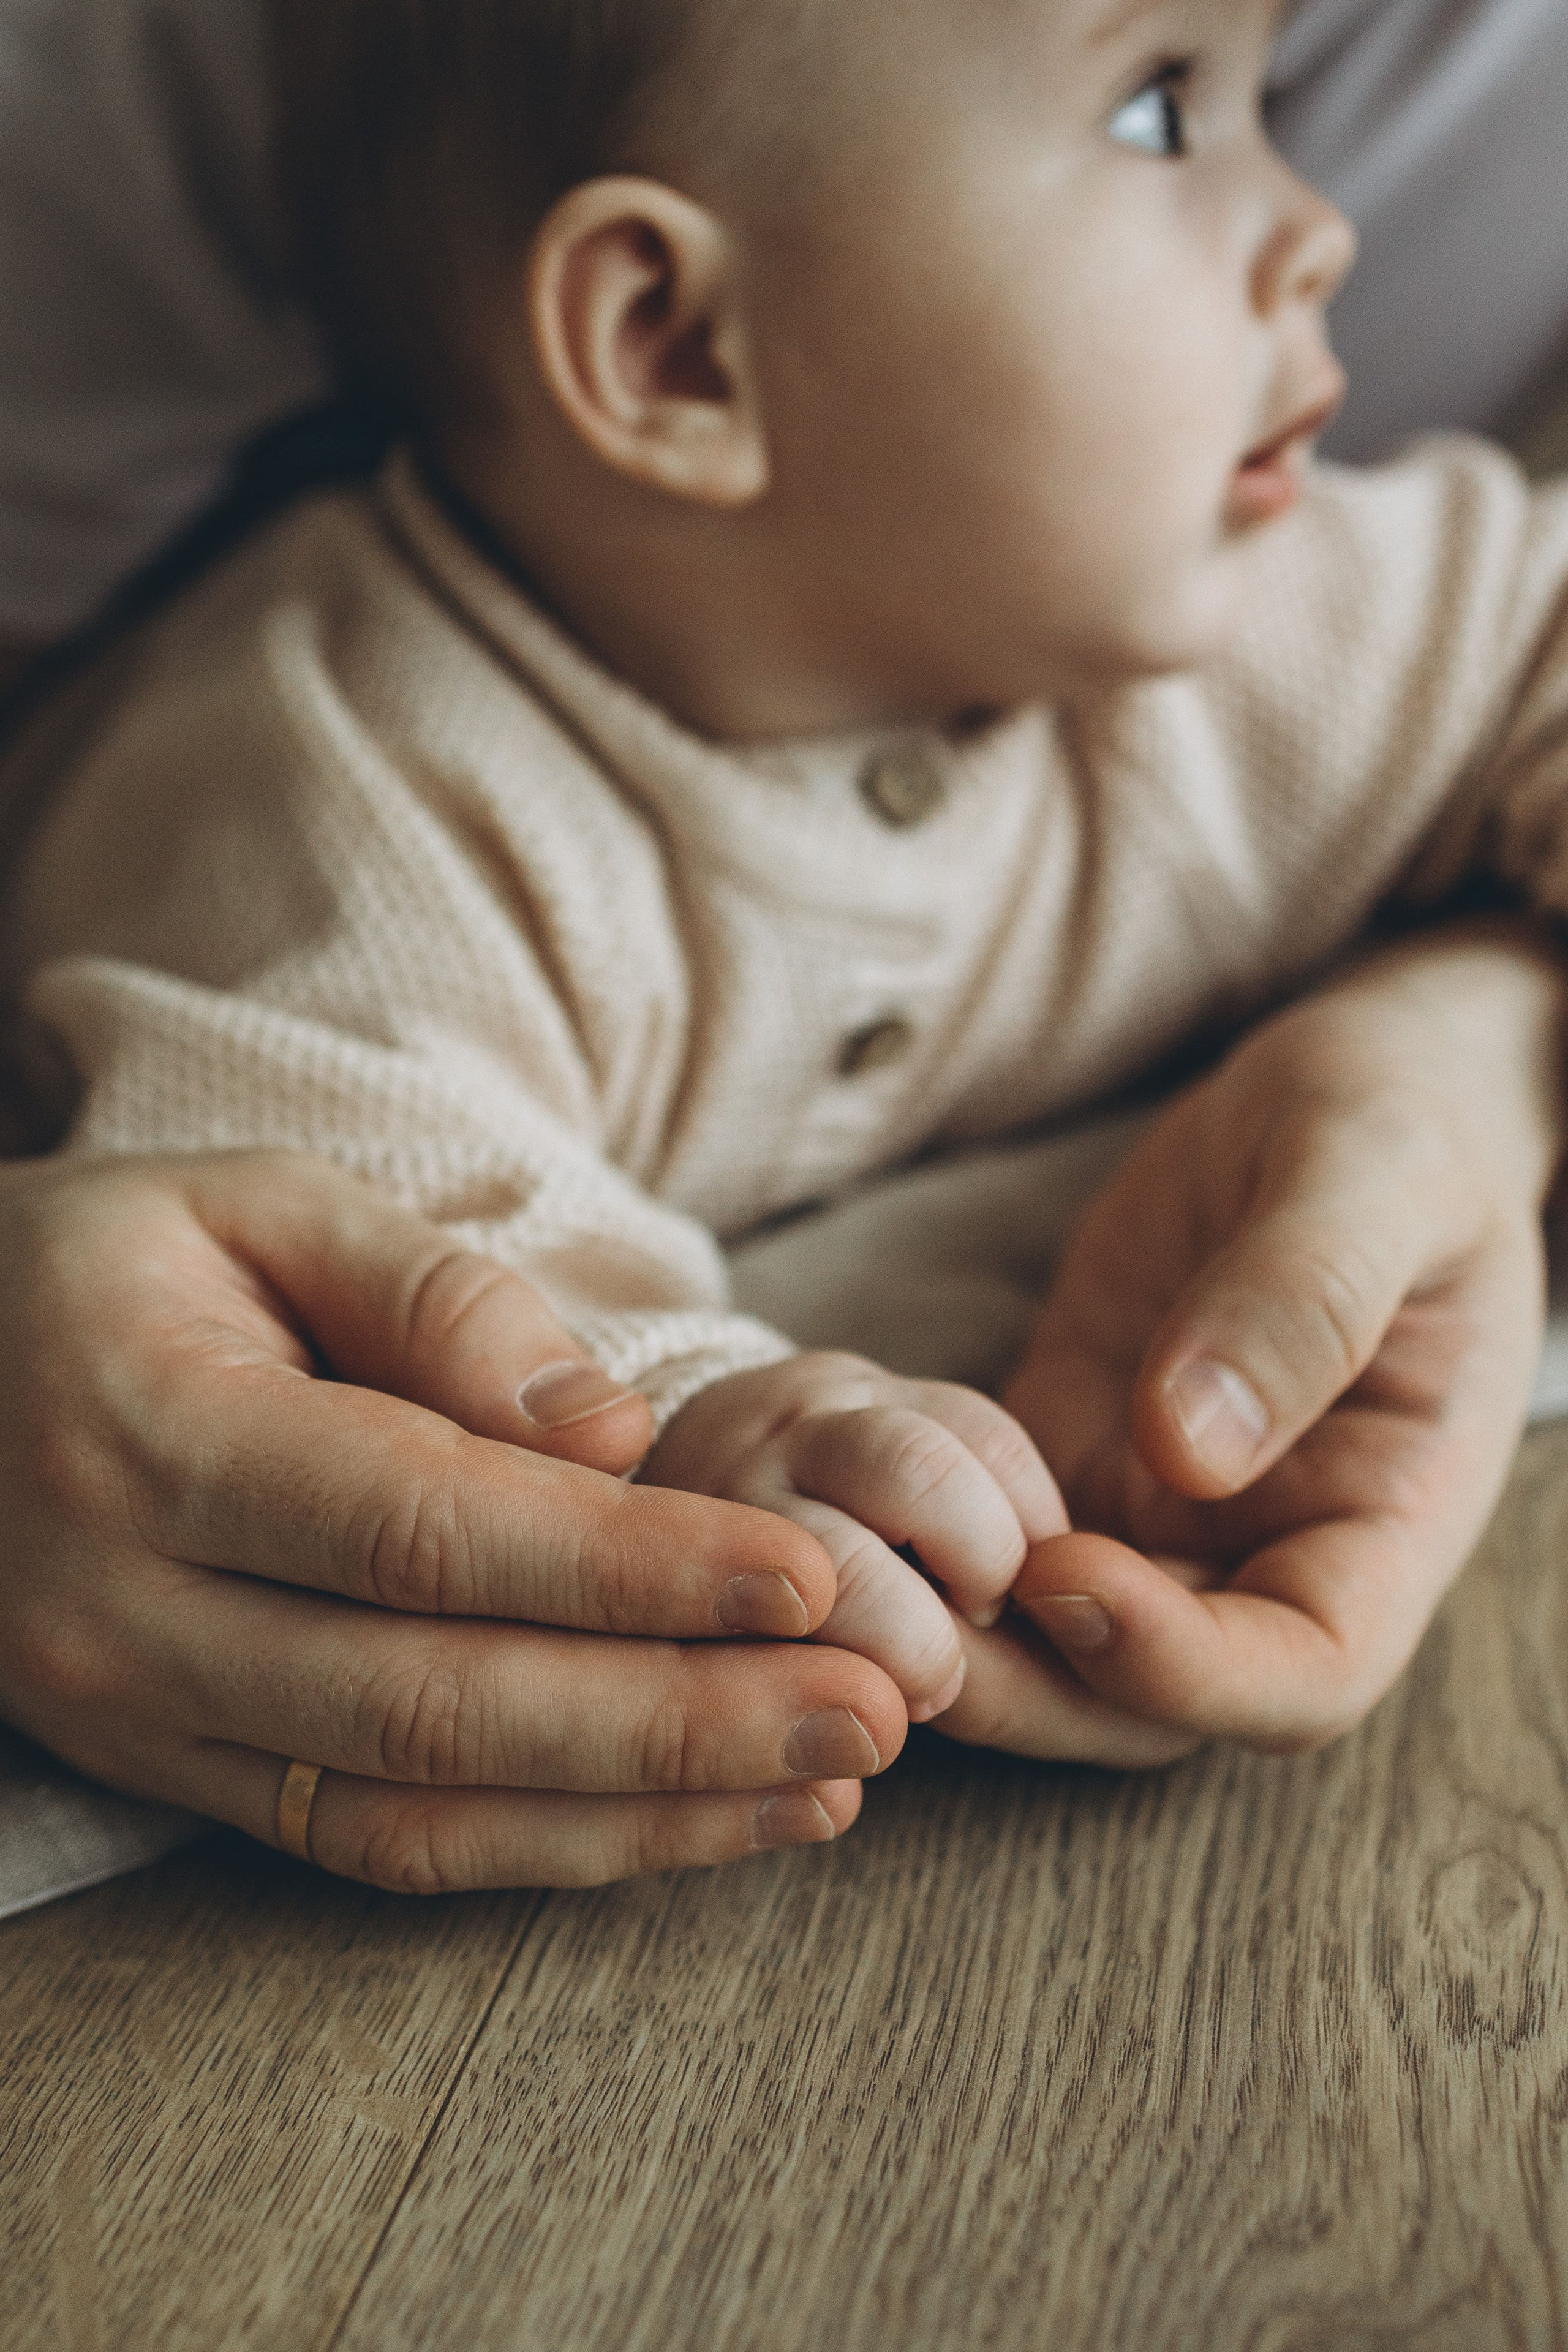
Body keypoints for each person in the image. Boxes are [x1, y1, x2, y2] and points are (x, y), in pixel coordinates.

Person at [1, 0, 1566, 1893]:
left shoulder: (1239, 609)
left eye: (1266, 95)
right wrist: (719, 1419)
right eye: (1161, 112)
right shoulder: (347, 792)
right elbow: (365, 1263)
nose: (1316, 224)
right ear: (676, 345)